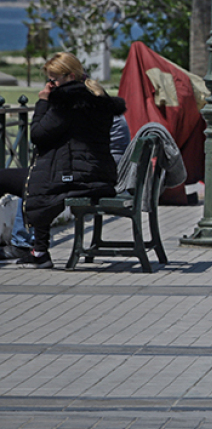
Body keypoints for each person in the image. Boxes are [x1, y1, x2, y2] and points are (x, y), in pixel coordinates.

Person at [8, 53, 128, 269]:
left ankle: (39, 250)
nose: (50, 84)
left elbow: (37, 135)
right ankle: (39, 251)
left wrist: (43, 102)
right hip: (98, 175)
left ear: (70, 76)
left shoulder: (67, 101)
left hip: (76, 177)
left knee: (30, 179)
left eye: (53, 79)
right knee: (40, 177)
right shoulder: (97, 95)